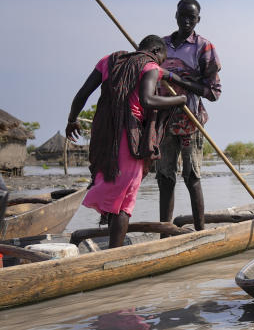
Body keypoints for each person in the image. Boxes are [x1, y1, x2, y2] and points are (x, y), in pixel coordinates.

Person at [66, 36, 187, 248]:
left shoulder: (109, 60)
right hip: (127, 136)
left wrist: (72, 120)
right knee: (124, 201)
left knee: (115, 194)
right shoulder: (149, 66)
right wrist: (180, 100)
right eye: (162, 59)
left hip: (103, 134)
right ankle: (115, 255)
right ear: (157, 51)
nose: (160, 64)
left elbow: (83, 93)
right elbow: (148, 100)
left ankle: (113, 250)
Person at [158, 0, 222, 231]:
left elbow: (214, 93)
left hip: (190, 120)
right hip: (162, 122)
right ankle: (165, 233)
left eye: (191, 18)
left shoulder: (203, 47)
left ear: (198, 20)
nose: (186, 21)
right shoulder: (161, 45)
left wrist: (178, 80)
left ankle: (200, 232)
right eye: (182, 16)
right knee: (164, 178)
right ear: (175, 15)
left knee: (192, 177)